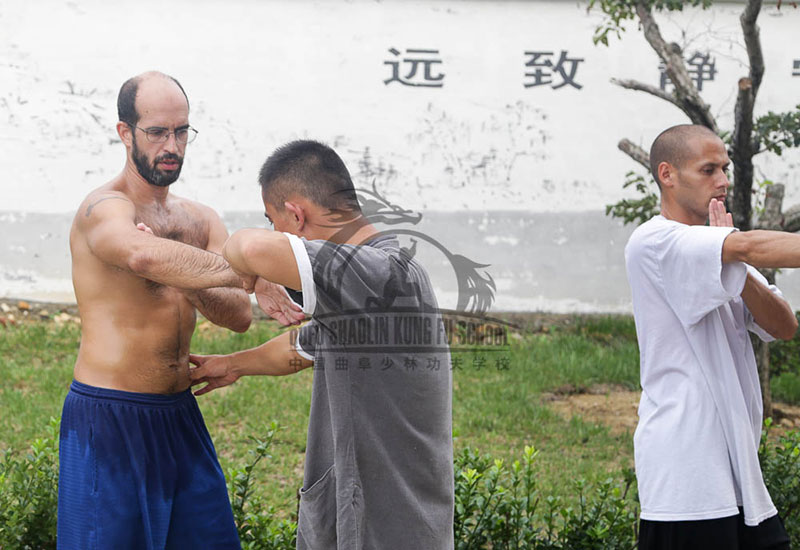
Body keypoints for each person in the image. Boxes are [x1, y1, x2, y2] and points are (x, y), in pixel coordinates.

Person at [60, 71, 301, 550]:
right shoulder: (103, 209)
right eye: (156, 132)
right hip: (112, 417)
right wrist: (249, 274)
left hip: (179, 415)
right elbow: (142, 255)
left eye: (181, 131)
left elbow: (235, 317)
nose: (171, 144)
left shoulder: (200, 218)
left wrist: (190, 278)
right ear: (125, 132)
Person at [189, 140, 455, 550]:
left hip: (392, 528)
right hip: (365, 517)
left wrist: (254, 276)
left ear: (296, 215)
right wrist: (231, 365)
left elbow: (249, 246)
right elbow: (302, 347)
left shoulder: (380, 275)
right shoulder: (359, 290)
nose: (275, 231)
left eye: (274, 220)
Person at [625, 124, 798, 550]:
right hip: (686, 478)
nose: (722, 181)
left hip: (740, 477)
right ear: (667, 174)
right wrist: (735, 249)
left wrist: (736, 269)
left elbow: (783, 327)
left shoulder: (718, 248)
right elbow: (753, 247)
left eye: (725, 168)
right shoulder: (655, 240)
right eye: (708, 170)